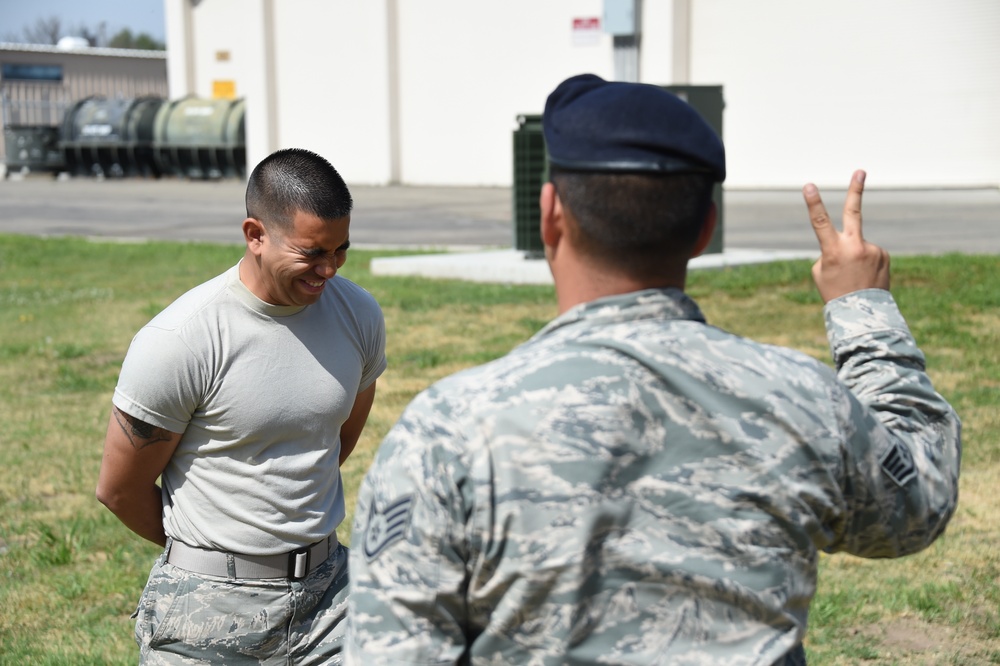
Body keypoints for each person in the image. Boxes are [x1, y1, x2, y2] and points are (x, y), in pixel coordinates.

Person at [344, 74, 961, 665]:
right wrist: (863, 311)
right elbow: (915, 506)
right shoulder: (798, 400)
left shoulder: (449, 430)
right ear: (704, 231)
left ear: (551, 215)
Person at [96, 147, 386, 664]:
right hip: (207, 610)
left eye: (340, 250)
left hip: (332, 601)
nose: (328, 269)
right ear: (255, 235)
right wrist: (215, 554)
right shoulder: (181, 340)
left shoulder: (358, 315)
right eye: (312, 252)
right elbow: (119, 489)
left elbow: (331, 444)